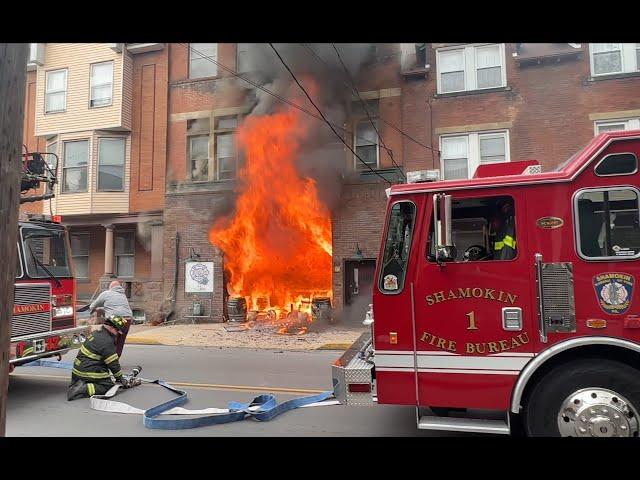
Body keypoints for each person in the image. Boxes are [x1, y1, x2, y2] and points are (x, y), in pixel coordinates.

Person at [67, 315, 129, 401]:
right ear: (112, 328)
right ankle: (84, 389)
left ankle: (77, 384)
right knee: (108, 386)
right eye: (117, 331)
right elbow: (113, 364)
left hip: (77, 371)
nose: (117, 334)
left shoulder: (96, 333)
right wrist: (120, 378)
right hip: (87, 371)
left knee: (101, 373)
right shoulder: (107, 341)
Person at [90, 280, 133, 358]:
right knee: (120, 341)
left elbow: (94, 304)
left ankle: (105, 359)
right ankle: (115, 360)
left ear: (111, 287)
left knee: (107, 338)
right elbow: (115, 307)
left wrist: (92, 308)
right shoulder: (123, 295)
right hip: (127, 319)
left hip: (115, 319)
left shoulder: (106, 293)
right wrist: (103, 308)